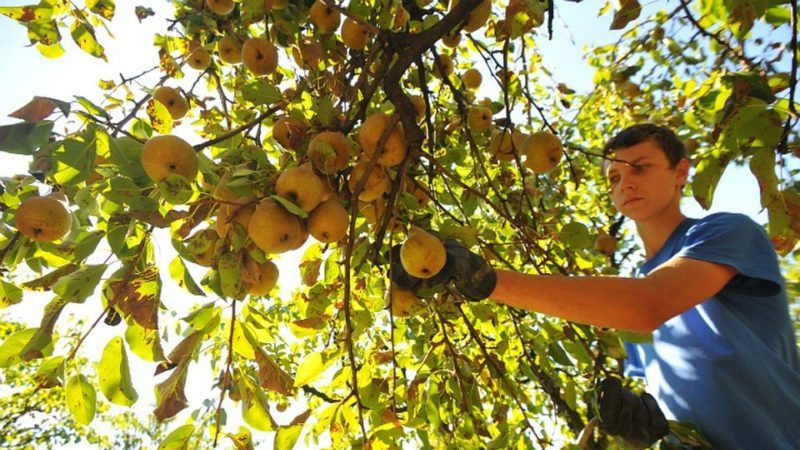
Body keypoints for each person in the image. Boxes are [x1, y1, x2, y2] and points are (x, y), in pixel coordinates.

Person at [391, 124, 800, 449]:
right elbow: (671, 403)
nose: (625, 183)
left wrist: (485, 280)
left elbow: (649, 303)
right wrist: (642, 429)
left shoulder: (724, 231)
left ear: (681, 172)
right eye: (614, 176)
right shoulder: (625, 298)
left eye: (640, 167)